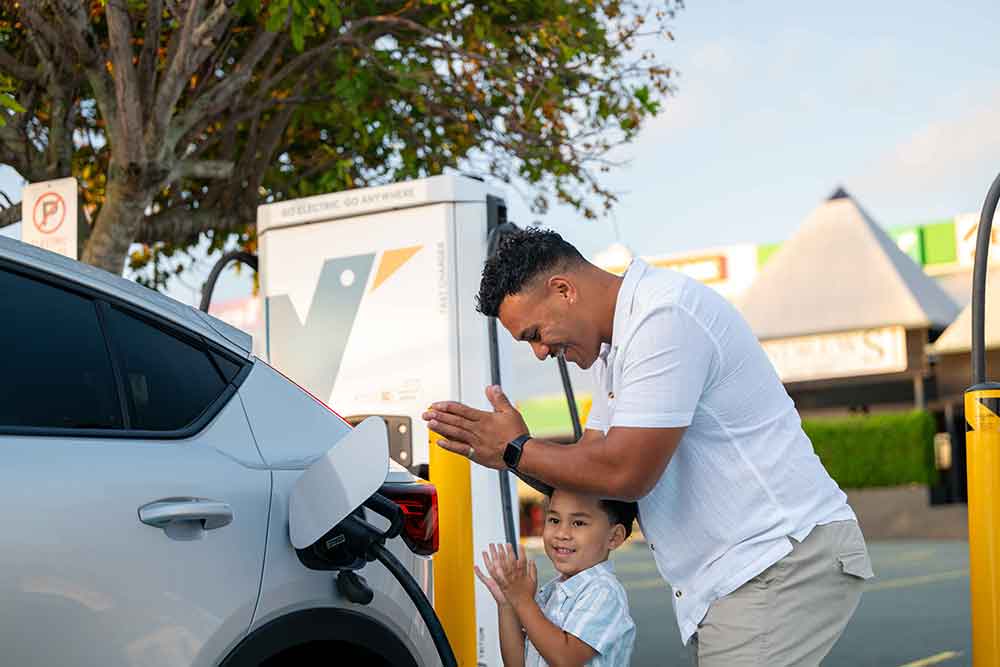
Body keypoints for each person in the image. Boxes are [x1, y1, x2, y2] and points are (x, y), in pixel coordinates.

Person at [422, 227, 874, 665]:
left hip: (778, 559)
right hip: (743, 573)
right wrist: (511, 454)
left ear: (564, 290)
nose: (539, 352)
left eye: (535, 333)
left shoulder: (664, 319)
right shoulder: (615, 349)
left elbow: (626, 473)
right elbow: (593, 477)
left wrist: (517, 448)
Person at [475, 489, 637, 667]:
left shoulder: (604, 593)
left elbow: (566, 659)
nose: (561, 533)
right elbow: (518, 663)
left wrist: (522, 600)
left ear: (614, 537)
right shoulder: (553, 592)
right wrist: (507, 603)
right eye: (554, 520)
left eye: (578, 523)